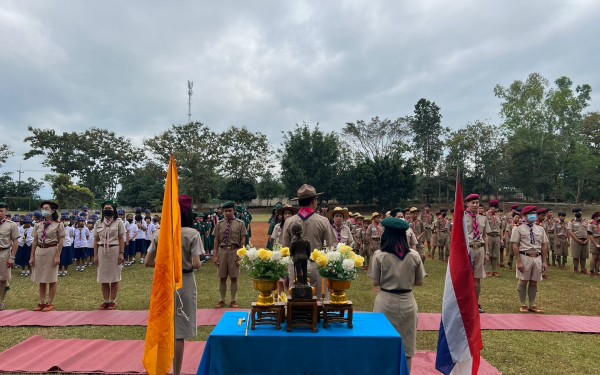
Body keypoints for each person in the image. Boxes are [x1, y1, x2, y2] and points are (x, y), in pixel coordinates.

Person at [145, 195, 203, 375]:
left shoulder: (159, 233)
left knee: (162, 326)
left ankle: (159, 369)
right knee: (179, 332)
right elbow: (196, 264)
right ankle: (176, 372)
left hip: (164, 283)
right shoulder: (192, 234)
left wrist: (167, 265)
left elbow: (147, 262)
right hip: (184, 283)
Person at [368, 217, 425, 371]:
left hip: (385, 302)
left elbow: (375, 282)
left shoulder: (380, 255)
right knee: (407, 349)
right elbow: (419, 281)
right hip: (407, 301)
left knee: (382, 345)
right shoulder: (413, 255)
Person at [279, 184, 336, 297]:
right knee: (317, 304)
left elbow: (284, 249)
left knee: (295, 304)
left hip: (295, 268)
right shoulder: (323, 221)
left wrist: (285, 274)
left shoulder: (289, 221)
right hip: (317, 268)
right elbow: (331, 247)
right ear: (314, 201)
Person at [511, 206, 548, 313]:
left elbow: (544, 245)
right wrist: (518, 261)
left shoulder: (540, 228)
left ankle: (532, 304)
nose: (533, 215)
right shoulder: (518, 228)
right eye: (531, 214)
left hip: (537, 257)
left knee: (534, 282)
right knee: (523, 281)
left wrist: (544, 261)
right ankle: (523, 304)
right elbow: (515, 245)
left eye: (534, 213)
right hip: (524, 256)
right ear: (525, 215)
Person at [30, 201, 66, 312]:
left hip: (52, 250)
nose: (44, 210)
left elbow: (61, 240)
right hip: (40, 250)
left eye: (46, 208)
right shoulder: (38, 224)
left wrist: (58, 256)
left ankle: (50, 303)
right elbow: (35, 240)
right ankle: (41, 302)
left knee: (51, 278)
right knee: (41, 278)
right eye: (42, 208)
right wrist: (32, 256)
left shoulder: (58, 224)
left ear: (52, 210)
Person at [213, 201, 247, 308]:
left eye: (229, 210)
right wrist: (215, 255)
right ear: (223, 212)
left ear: (234, 211)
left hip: (234, 251)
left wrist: (241, 253)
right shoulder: (219, 224)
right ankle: (222, 299)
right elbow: (216, 239)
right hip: (223, 251)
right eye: (225, 211)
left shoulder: (240, 223)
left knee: (234, 277)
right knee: (222, 277)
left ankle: (233, 300)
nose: (227, 213)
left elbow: (243, 239)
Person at [93, 201, 126, 310]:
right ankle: (106, 301)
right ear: (102, 210)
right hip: (102, 250)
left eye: (110, 208)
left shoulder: (118, 222)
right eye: (105, 208)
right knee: (103, 277)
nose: (107, 210)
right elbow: (96, 239)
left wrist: (121, 253)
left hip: (114, 250)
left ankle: (112, 301)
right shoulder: (98, 223)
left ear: (114, 210)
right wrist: (95, 255)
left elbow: (121, 238)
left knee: (114, 277)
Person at [464, 194, 490, 313]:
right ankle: (465, 303)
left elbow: (485, 235)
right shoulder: (462, 217)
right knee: (465, 278)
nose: (475, 205)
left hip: (479, 248)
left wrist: (486, 252)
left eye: (477, 203)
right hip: (467, 249)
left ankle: (475, 303)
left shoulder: (483, 218)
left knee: (477, 278)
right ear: (468, 204)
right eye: (472, 203)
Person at [0, 202, 20, 310]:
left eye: (1, 211)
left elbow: (15, 242)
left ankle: (1, 301)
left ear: (5, 212)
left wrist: (12, 257)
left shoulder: (11, 225)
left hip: (4, 252)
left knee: (2, 279)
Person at [568, 208, 589, 274]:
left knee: (583, 256)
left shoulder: (586, 221)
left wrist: (587, 240)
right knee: (576, 256)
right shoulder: (571, 222)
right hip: (576, 241)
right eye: (575, 212)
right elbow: (570, 231)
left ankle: (583, 270)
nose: (577, 213)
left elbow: (589, 232)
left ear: (581, 212)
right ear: (573, 213)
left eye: (578, 211)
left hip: (585, 241)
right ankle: (576, 269)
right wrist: (577, 240)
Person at [485, 200, 502, 277]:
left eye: (497, 208)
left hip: (497, 237)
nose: (497, 210)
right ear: (491, 207)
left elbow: (501, 228)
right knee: (488, 254)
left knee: (495, 254)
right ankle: (487, 270)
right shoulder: (485, 215)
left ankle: (494, 270)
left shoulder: (498, 216)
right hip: (489, 236)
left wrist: (501, 239)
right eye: (495, 208)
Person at [587, 212, 600, 278]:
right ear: (595, 217)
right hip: (594, 240)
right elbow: (590, 235)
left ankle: (596, 272)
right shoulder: (591, 225)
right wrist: (596, 244)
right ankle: (592, 272)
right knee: (594, 257)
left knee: (599, 258)